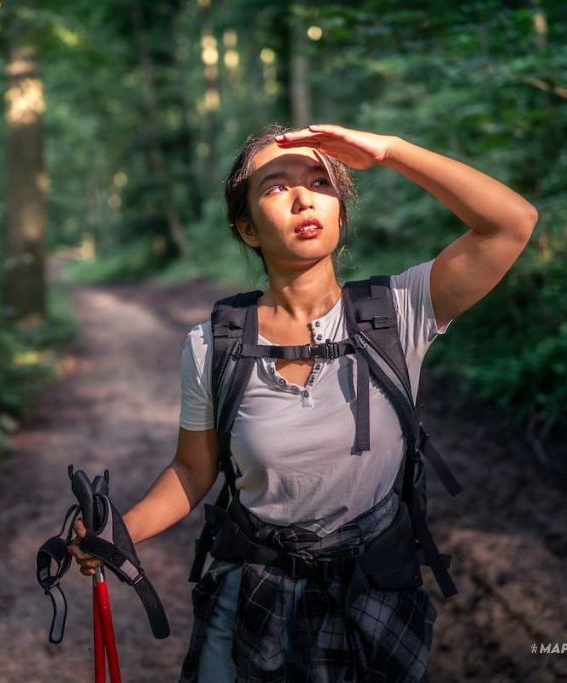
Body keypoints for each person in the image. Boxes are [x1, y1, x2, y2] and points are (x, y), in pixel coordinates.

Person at [66, 123, 539, 682]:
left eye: (319, 181)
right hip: (253, 593)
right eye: (274, 187)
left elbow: (511, 223)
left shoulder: (399, 312)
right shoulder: (213, 345)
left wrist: (389, 152)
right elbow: (193, 470)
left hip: (374, 595)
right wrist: (119, 532)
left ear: (339, 210)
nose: (302, 197)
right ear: (246, 228)